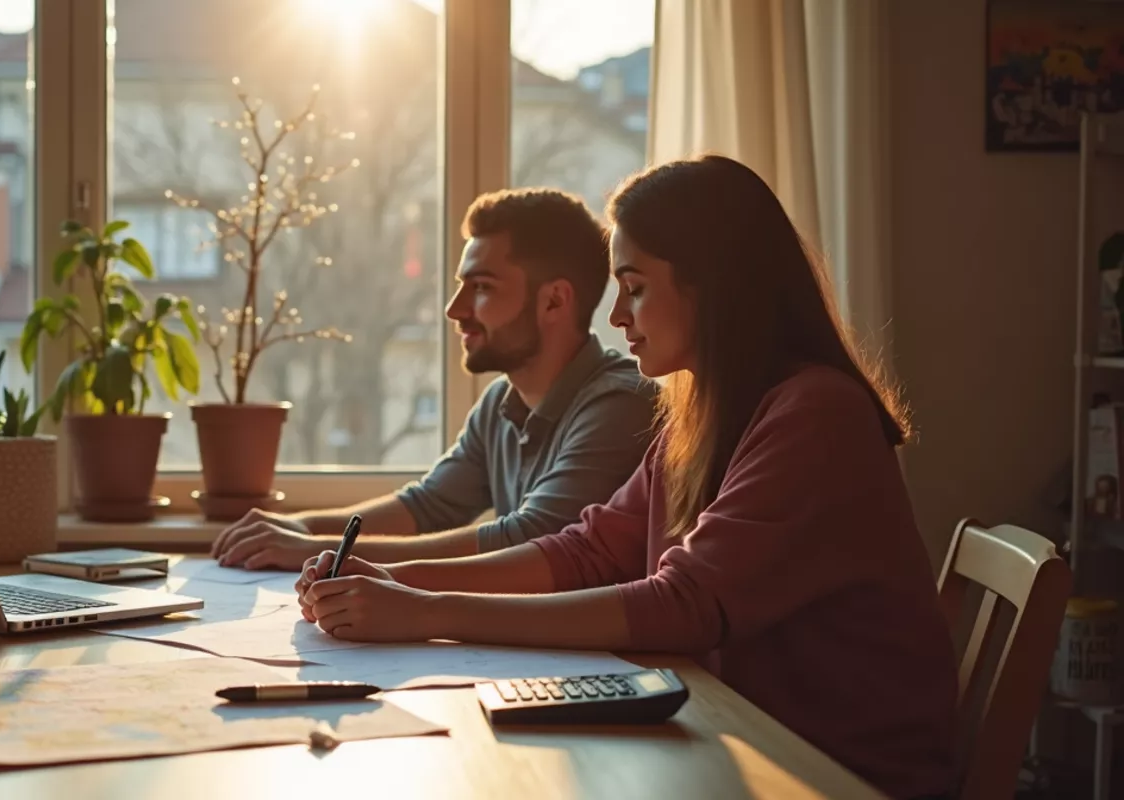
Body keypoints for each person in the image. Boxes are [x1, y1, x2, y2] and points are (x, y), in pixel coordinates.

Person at [293, 155, 958, 799]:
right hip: (738, 737)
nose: (616, 316)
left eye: (635, 288)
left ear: (714, 284)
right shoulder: (700, 412)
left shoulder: (814, 413)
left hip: (831, 771)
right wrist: (394, 582)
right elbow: (589, 550)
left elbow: (683, 606)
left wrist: (426, 613)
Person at [210, 188, 658, 571]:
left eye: (481, 287)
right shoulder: (501, 401)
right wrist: (301, 526)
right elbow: (426, 505)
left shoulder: (620, 404)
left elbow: (530, 540)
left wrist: (319, 550)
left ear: (555, 302)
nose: (455, 309)